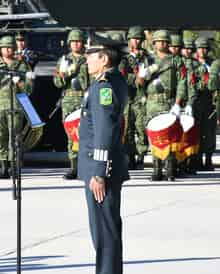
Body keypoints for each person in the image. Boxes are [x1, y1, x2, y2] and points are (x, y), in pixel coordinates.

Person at [77, 33, 129, 274]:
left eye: (90, 56)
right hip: (105, 166)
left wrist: (98, 173)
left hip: (100, 170)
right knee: (108, 230)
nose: (86, 61)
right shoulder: (115, 80)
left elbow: (105, 130)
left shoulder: (103, 87)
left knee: (104, 233)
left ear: (104, 58)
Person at [137, 30, 187, 181]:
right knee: (154, 136)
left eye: (165, 41)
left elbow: (182, 82)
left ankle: (170, 169)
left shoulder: (176, 61)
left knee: (170, 136)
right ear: (154, 43)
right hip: (152, 102)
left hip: (169, 102)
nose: (162, 44)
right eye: (159, 41)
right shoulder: (147, 60)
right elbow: (138, 83)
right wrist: (142, 77)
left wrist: (178, 102)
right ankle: (157, 170)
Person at [0, 35, 33, 179]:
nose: (7, 50)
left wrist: (20, 83)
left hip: (16, 106)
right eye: (4, 48)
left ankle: (14, 167)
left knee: (15, 137)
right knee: (0, 137)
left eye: (10, 47)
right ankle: (3, 167)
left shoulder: (22, 65)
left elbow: (29, 89)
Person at [53, 29, 90, 179]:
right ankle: (74, 167)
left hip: (85, 99)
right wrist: (66, 73)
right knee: (71, 134)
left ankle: (87, 166)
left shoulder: (89, 59)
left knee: (88, 134)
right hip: (69, 100)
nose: (76, 44)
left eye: (79, 41)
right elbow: (56, 82)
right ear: (69, 44)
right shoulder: (64, 60)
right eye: (73, 41)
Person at [119, 26, 151, 169]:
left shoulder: (148, 58)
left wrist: (145, 78)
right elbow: (121, 75)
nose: (136, 41)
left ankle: (141, 157)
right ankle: (130, 157)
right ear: (129, 40)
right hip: (128, 99)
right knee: (128, 129)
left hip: (142, 98)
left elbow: (154, 74)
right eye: (133, 38)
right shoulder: (124, 59)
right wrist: (135, 78)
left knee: (142, 128)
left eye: (139, 39)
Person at [194, 37, 216, 170]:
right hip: (197, 101)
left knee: (209, 132)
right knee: (196, 131)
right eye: (200, 48)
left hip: (210, 102)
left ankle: (208, 159)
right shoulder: (192, 64)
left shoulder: (213, 64)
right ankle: (196, 160)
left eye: (205, 48)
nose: (202, 51)